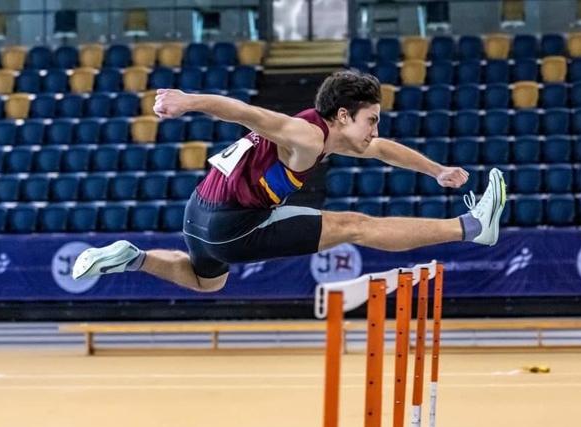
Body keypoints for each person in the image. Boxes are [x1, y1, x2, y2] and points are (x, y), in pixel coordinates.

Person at [72, 70, 506, 292]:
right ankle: (470, 228)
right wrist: (188, 101)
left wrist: (437, 171)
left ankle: (134, 258)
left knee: (208, 282)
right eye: (371, 120)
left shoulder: (326, 134)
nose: (375, 129)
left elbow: (382, 149)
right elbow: (247, 112)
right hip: (233, 224)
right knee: (354, 225)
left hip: (198, 215)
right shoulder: (305, 135)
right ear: (342, 116)